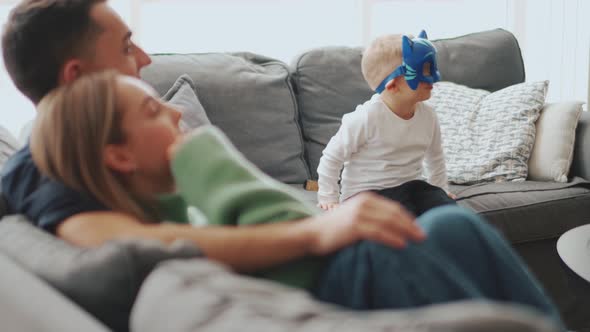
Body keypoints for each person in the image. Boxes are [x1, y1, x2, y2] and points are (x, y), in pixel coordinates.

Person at [0, 1, 565, 330]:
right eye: (126, 46)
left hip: (312, 238)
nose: (145, 58)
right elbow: (132, 250)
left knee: (454, 224)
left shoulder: (114, 139)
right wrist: (318, 231)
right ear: (77, 76)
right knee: (439, 235)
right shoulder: (44, 168)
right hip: (312, 268)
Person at [317, 31, 456, 216]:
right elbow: (331, 158)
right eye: (423, 70)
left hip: (411, 187)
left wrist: (441, 190)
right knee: (404, 216)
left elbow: (435, 157)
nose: (433, 77)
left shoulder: (429, 116)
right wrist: (328, 198)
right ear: (392, 85)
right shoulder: (365, 118)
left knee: (447, 211)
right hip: (367, 195)